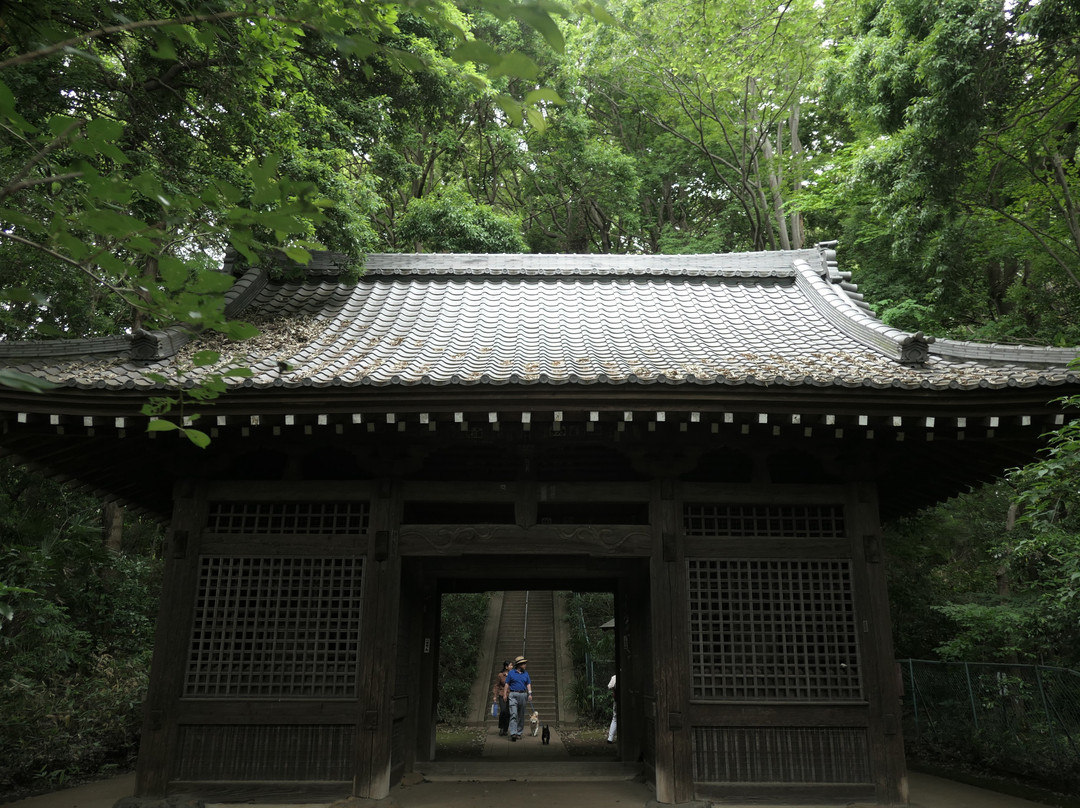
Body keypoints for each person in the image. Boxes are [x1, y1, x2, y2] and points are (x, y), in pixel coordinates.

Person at [505, 655, 532, 741]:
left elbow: (528, 683)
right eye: (523, 663)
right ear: (519, 665)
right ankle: (513, 733)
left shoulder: (526, 673)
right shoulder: (511, 673)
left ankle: (519, 732)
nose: (525, 665)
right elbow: (507, 684)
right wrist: (505, 694)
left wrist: (530, 693)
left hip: (523, 694)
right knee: (514, 714)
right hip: (513, 694)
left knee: (521, 714)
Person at [491, 660, 511, 736]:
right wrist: (495, 696)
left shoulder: (512, 674)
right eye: (510, 665)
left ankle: (506, 729)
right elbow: (496, 685)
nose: (512, 667)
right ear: (506, 667)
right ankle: (501, 728)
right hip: (502, 694)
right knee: (503, 711)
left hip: (510, 695)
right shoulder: (500, 675)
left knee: (508, 713)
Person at [606, 673, 617, 744]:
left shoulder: (614, 677)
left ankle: (610, 738)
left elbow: (609, 686)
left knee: (615, 718)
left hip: (617, 700)